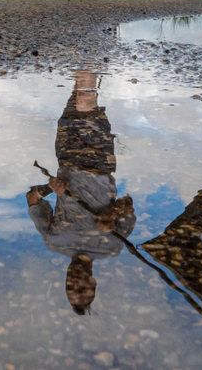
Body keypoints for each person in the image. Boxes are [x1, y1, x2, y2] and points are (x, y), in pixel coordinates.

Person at [26, 69, 135, 314]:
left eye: (70, 286)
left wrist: (50, 188)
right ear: (93, 283)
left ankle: (84, 54)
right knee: (85, 100)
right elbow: (128, 203)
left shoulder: (53, 241)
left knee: (77, 98)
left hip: (66, 157)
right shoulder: (112, 246)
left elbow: (32, 199)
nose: (75, 282)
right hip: (99, 163)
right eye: (82, 288)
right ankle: (87, 56)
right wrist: (112, 212)